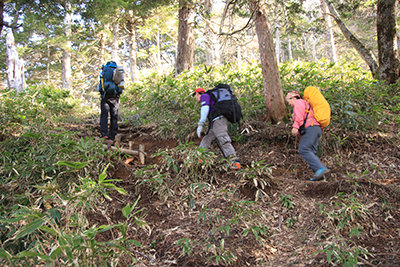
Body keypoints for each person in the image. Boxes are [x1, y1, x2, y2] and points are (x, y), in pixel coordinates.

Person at [286, 90, 330, 181]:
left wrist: (295, 127)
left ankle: (320, 169)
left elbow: (299, 116)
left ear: (293, 98)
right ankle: (320, 177)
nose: (289, 104)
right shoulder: (306, 104)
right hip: (316, 129)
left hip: (311, 127)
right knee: (311, 151)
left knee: (304, 149)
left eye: (288, 101)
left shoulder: (299, 102)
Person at [193, 87, 241, 170]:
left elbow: (205, 109)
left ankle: (235, 162)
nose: (196, 98)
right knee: (207, 138)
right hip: (216, 122)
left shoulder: (204, 96)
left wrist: (200, 124)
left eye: (195, 96)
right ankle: (201, 158)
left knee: (223, 138)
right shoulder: (210, 97)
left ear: (197, 94)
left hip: (219, 121)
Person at [99, 61, 124, 141]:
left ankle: (104, 133)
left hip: (105, 95)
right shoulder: (118, 71)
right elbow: (121, 84)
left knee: (104, 115)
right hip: (115, 96)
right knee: (114, 115)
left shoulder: (104, 70)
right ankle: (113, 135)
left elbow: (101, 84)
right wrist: (119, 93)